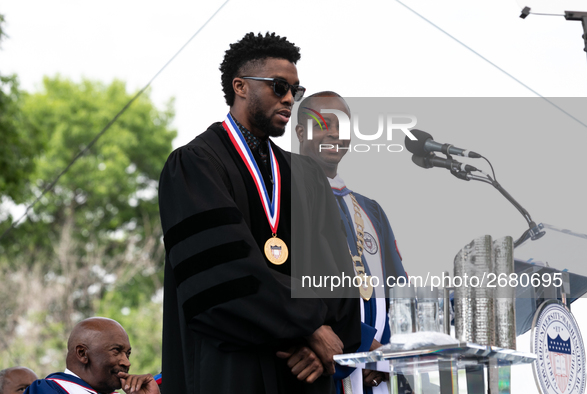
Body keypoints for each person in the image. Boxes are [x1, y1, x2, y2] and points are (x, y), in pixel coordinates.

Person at [158, 32, 360, 394]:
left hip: (306, 376)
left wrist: (322, 344)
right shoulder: (195, 165)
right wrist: (311, 328)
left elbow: (337, 277)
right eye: (279, 86)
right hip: (233, 371)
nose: (289, 99)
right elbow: (221, 276)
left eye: (295, 91)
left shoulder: (307, 175)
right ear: (240, 86)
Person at [296, 92, 408, 394]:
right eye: (324, 124)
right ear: (300, 132)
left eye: (343, 126)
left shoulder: (370, 210)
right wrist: (359, 343)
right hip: (322, 370)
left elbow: (400, 291)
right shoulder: (286, 198)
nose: (335, 133)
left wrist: (386, 354)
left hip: (380, 374)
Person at [24, 317, 158, 394]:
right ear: (82, 353)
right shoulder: (47, 390)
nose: (127, 363)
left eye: (128, 354)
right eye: (116, 351)